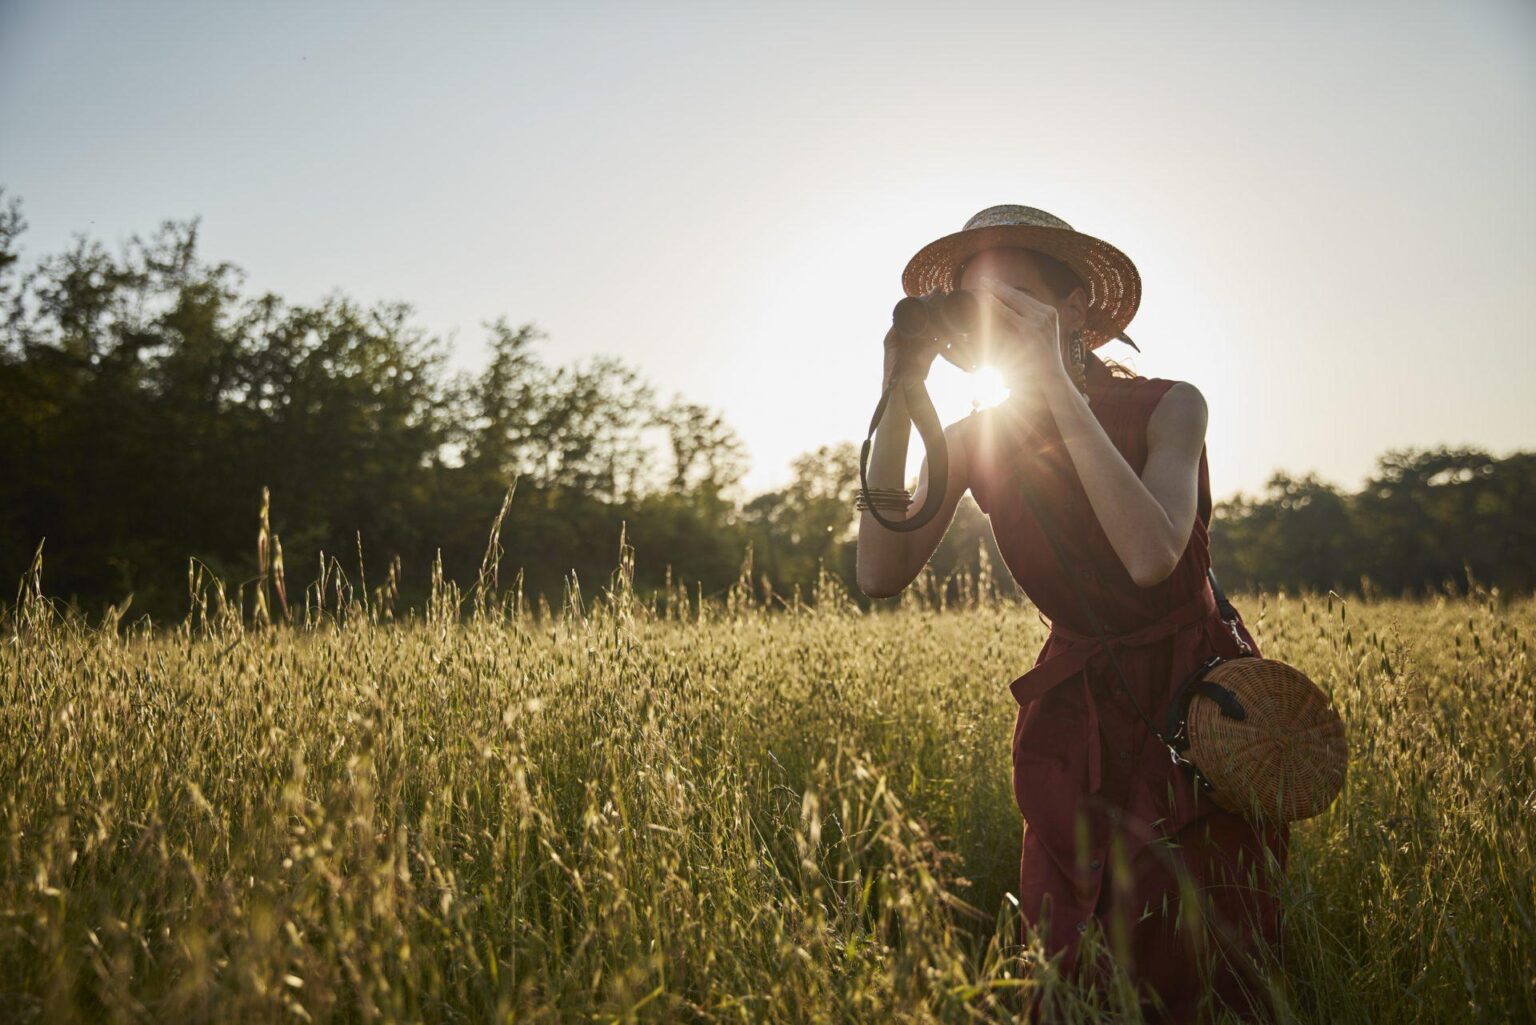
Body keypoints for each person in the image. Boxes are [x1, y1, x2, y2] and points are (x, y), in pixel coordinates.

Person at [855, 205, 1289, 1022]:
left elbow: (1151, 555)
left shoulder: (1171, 406)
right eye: (980, 306)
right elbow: (880, 570)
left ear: (1076, 308)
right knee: (1069, 948)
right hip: (1075, 715)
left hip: (1191, 706)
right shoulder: (978, 434)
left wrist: (1052, 383)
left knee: (1198, 948)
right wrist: (898, 390)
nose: (999, 321)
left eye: (1018, 298)